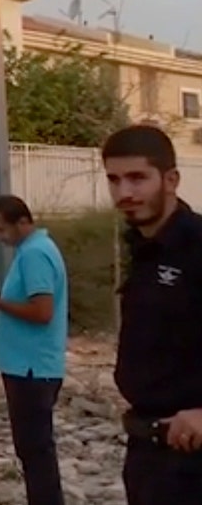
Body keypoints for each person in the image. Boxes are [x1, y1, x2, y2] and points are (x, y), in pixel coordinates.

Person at [101, 124, 202, 503]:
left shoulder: (196, 246)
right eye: (114, 180)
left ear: (171, 179)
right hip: (148, 455)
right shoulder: (142, 249)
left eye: (137, 178)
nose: (124, 193)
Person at [0, 194, 68, 505]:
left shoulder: (35, 254)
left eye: (1, 230)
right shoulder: (31, 252)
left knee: (36, 451)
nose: (0, 238)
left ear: (23, 222)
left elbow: (41, 311)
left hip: (32, 368)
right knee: (33, 450)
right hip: (26, 366)